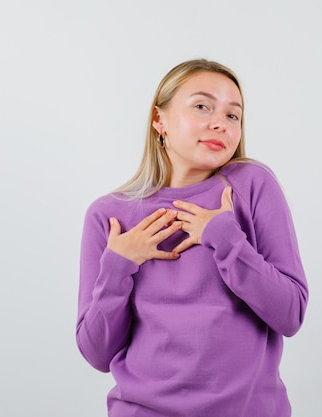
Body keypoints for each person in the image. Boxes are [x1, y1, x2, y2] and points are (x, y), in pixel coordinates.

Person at [76, 58, 308, 417]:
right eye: (202, 106)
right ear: (159, 120)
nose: (220, 123)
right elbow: (97, 353)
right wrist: (119, 266)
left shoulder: (251, 186)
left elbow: (290, 313)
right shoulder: (109, 216)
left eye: (233, 115)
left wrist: (223, 237)